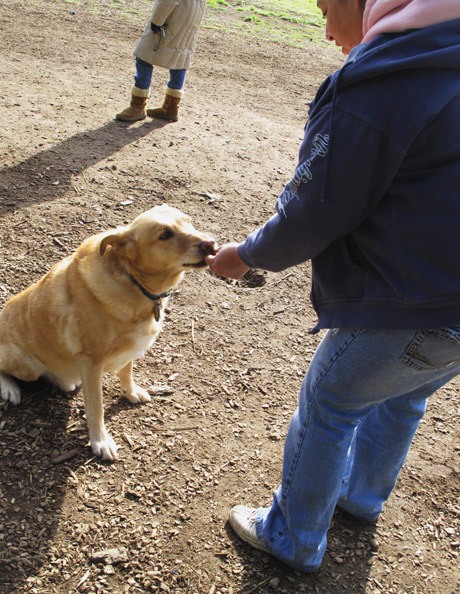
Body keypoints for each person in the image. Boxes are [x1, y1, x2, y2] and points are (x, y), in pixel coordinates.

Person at [205, 0, 460, 574]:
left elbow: (314, 208)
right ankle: (361, 498)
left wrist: (247, 255)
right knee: (404, 393)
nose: (325, 30)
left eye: (326, 8)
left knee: (329, 403)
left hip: (412, 302)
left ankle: (292, 537)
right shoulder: (448, 56)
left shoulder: (383, 81)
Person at [116, 0, 206, 123]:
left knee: (144, 55)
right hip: (193, 15)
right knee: (180, 57)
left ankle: (137, 106)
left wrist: (156, 21)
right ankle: (171, 107)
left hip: (175, 16)